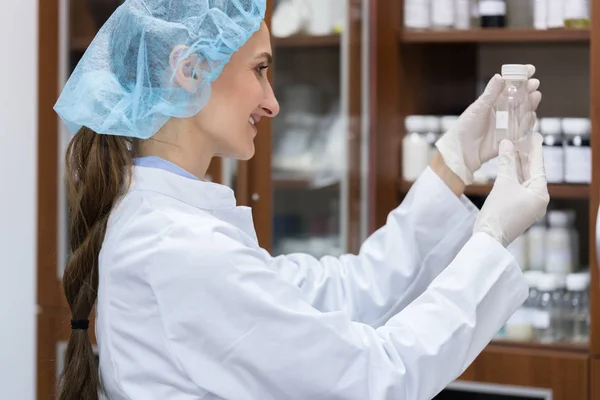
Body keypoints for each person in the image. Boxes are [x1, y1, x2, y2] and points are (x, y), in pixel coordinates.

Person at [53, 1, 548, 399]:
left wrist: (454, 163)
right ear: (190, 69)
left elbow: (349, 289)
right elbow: (376, 377)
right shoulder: (179, 249)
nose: (272, 102)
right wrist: (491, 237)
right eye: (260, 69)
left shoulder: (169, 227)